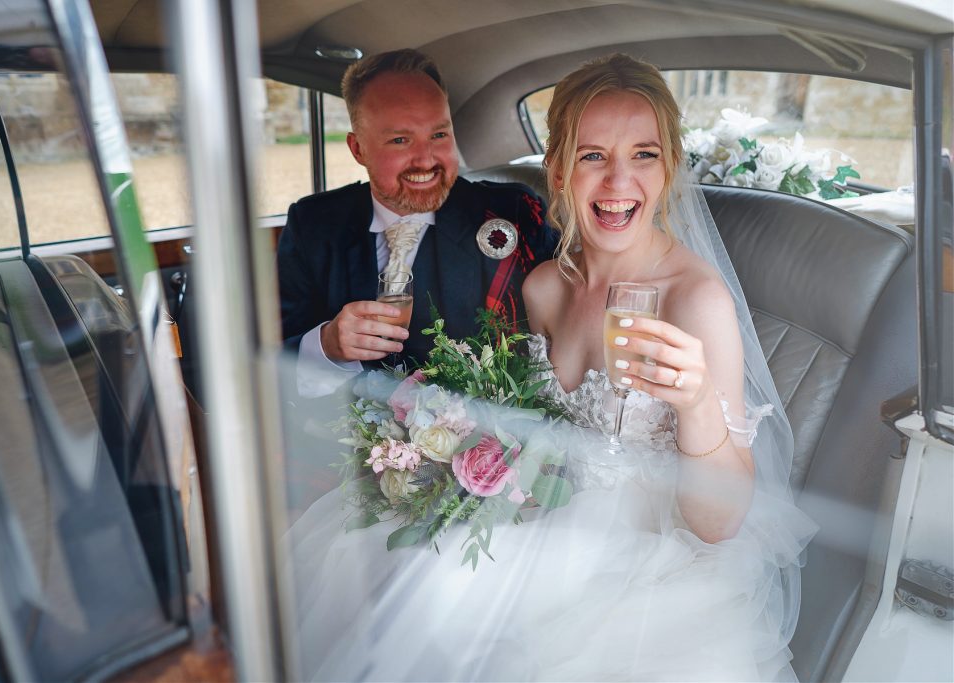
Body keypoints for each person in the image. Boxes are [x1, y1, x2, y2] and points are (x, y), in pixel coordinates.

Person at [285, 54, 815, 681]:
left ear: (669, 166)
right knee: (363, 559)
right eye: (593, 156)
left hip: (647, 551)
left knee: (444, 608)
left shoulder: (693, 300)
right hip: (540, 511)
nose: (619, 182)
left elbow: (718, 526)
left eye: (643, 154)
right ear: (559, 170)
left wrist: (697, 406)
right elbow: (529, 428)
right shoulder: (542, 288)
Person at [277, 49, 557, 398]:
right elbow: (268, 365)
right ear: (358, 148)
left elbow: (551, 338)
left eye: (439, 135)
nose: (426, 160)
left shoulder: (511, 215)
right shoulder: (313, 225)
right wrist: (327, 347)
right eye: (400, 140)